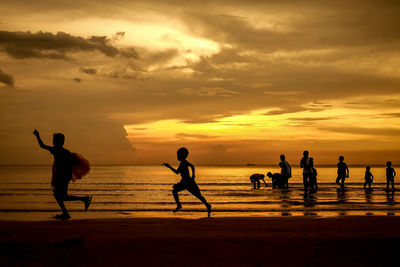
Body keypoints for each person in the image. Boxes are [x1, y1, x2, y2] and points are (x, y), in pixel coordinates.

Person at [33, 129, 92, 220]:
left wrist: (37, 135)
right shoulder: (65, 151)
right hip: (64, 176)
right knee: (59, 195)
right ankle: (68, 210)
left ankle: (82, 200)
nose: (52, 142)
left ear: (58, 142)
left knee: (61, 195)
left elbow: (42, 145)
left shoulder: (57, 150)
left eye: (54, 140)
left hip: (62, 177)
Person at [163, 147, 211, 217]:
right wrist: (169, 167)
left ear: (182, 156)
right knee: (198, 195)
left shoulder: (184, 162)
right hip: (187, 182)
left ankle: (179, 206)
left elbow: (190, 167)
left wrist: (193, 175)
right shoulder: (183, 162)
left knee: (176, 191)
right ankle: (207, 205)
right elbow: (180, 171)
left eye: (178, 155)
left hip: (187, 182)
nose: (177, 157)